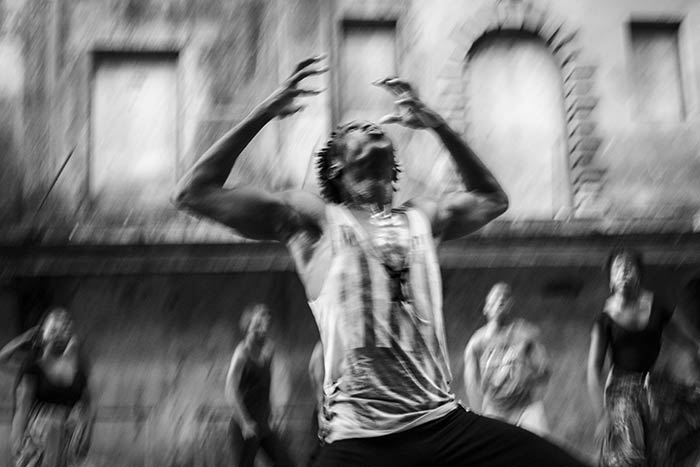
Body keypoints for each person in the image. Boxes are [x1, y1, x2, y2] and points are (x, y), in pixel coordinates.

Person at [175, 55, 589, 466]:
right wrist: (265, 112)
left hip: (442, 424)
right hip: (360, 440)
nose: (369, 125)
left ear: (394, 169)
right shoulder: (313, 221)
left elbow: (492, 199)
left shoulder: (422, 217)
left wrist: (437, 125)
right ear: (336, 165)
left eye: (372, 126)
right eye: (354, 129)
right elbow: (195, 192)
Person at [587, 248, 700, 467]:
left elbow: (690, 343)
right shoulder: (604, 320)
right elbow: (593, 370)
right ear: (610, 280)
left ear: (639, 274)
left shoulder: (656, 307)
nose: (624, 272)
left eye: (629, 266)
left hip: (655, 388)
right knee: (629, 457)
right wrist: (601, 416)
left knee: (662, 450)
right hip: (622, 391)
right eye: (617, 268)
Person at [1, 307, 92, 467]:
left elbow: (87, 405)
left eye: (66, 327)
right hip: (39, 437)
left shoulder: (77, 370)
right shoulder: (33, 366)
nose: (63, 332)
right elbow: (23, 406)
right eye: (57, 328)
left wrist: (85, 432)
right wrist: (17, 438)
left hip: (67, 437)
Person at [463, 282, 550, 436]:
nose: (501, 298)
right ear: (486, 307)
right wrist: (478, 417)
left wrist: (529, 379)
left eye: (505, 297)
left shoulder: (526, 334)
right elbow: (472, 384)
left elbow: (545, 371)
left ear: (511, 306)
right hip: (495, 410)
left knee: (542, 452)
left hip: (526, 407)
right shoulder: (476, 343)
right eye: (496, 296)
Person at [225, 304, 294, 467]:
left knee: (287, 463)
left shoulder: (269, 351)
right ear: (248, 326)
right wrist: (244, 423)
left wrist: (274, 414)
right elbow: (230, 390)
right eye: (258, 324)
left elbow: (264, 387)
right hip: (246, 427)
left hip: (264, 425)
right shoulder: (241, 354)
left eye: (266, 324)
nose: (263, 328)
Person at [307, 341, 325, 467]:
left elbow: (311, 372)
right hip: (324, 409)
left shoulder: (322, 347)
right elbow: (317, 378)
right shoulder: (321, 349)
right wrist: (321, 406)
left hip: (326, 408)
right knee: (319, 451)